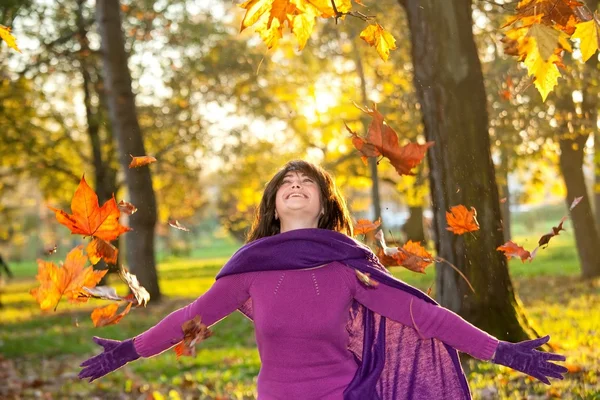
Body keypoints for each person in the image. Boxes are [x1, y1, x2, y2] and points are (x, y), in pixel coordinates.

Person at [78, 160, 567, 399]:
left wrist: (503, 352)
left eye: (306, 182)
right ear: (273, 204)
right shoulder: (249, 269)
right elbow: (188, 319)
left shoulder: (348, 265)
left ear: (325, 202)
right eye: (286, 184)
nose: (295, 186)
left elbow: (427, 317)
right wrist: (126, 350)